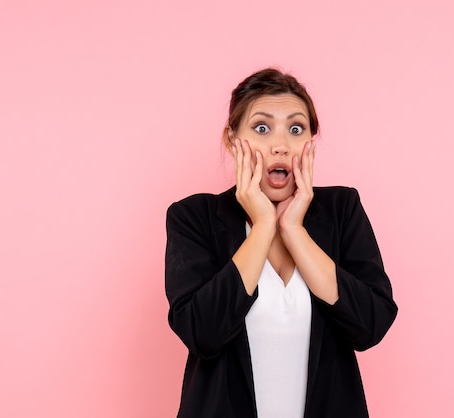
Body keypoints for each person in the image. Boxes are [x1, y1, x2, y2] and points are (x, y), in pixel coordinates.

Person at [165, 68, 397, 418]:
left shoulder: (341, 210)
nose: (280, 145)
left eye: (296, 129)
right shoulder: (193, 217)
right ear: (232, 140)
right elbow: (203, 333)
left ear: (310, 141)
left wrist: (294, 230)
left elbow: (370, 326)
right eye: (261, 128)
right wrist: (261, 227)